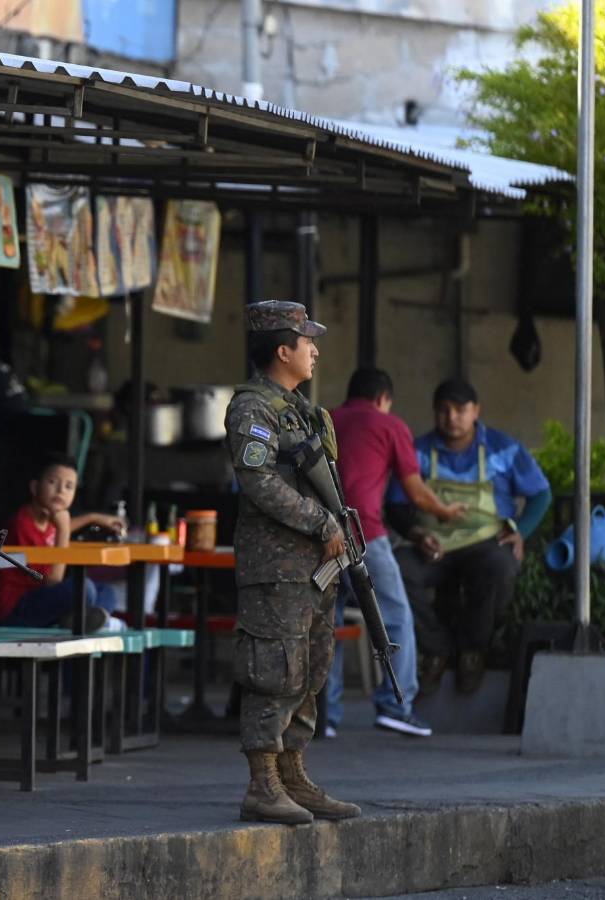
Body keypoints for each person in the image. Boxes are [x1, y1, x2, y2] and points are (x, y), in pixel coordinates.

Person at [225, 300, 357, 826]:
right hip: (275, 566)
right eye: (307, 342)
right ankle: (264, 783)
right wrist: (320, 524)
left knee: (311, 668)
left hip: (314, 567)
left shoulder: (307, 412)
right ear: (283, 350)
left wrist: (340, 530)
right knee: (274, 672)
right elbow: (258, 482)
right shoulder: (252, 409)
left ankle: (293, 773)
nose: (315, 350)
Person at [323, 368, 466, 738]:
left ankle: (326, 713)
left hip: (321, 535)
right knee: (396, 617)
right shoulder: (389, 425)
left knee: (328, 624)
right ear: (383, 398)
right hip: (364, 533)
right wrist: (446, 513)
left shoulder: (326, 419)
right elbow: (416, 492)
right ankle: (396, 705)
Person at [389, 377, 551, 695]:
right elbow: (394, 504)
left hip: (484, 543)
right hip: (433, 547)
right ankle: (435, 649)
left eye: (461, 410)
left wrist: (520, 531)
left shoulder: (503, 448)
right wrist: (417, 534)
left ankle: (472, 652)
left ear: (476, 411)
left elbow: (541, 495)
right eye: (444, 410)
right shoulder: (416, 451)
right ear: (435, 412)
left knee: (500, 567)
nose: (452, 418)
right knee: (397, 569)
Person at [0, 452, 125, 632]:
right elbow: (53, 580)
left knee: (107, 591)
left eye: (69, 486)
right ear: (35, 487)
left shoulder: (48, 521)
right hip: (13, 610)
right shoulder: (22, 523)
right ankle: (95, 623)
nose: (61, 491)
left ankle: (87, 620)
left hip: (38, 601)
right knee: (85, 589)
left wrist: (92, 517)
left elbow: (57, 530)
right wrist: (64, 530)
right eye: (53, 482)